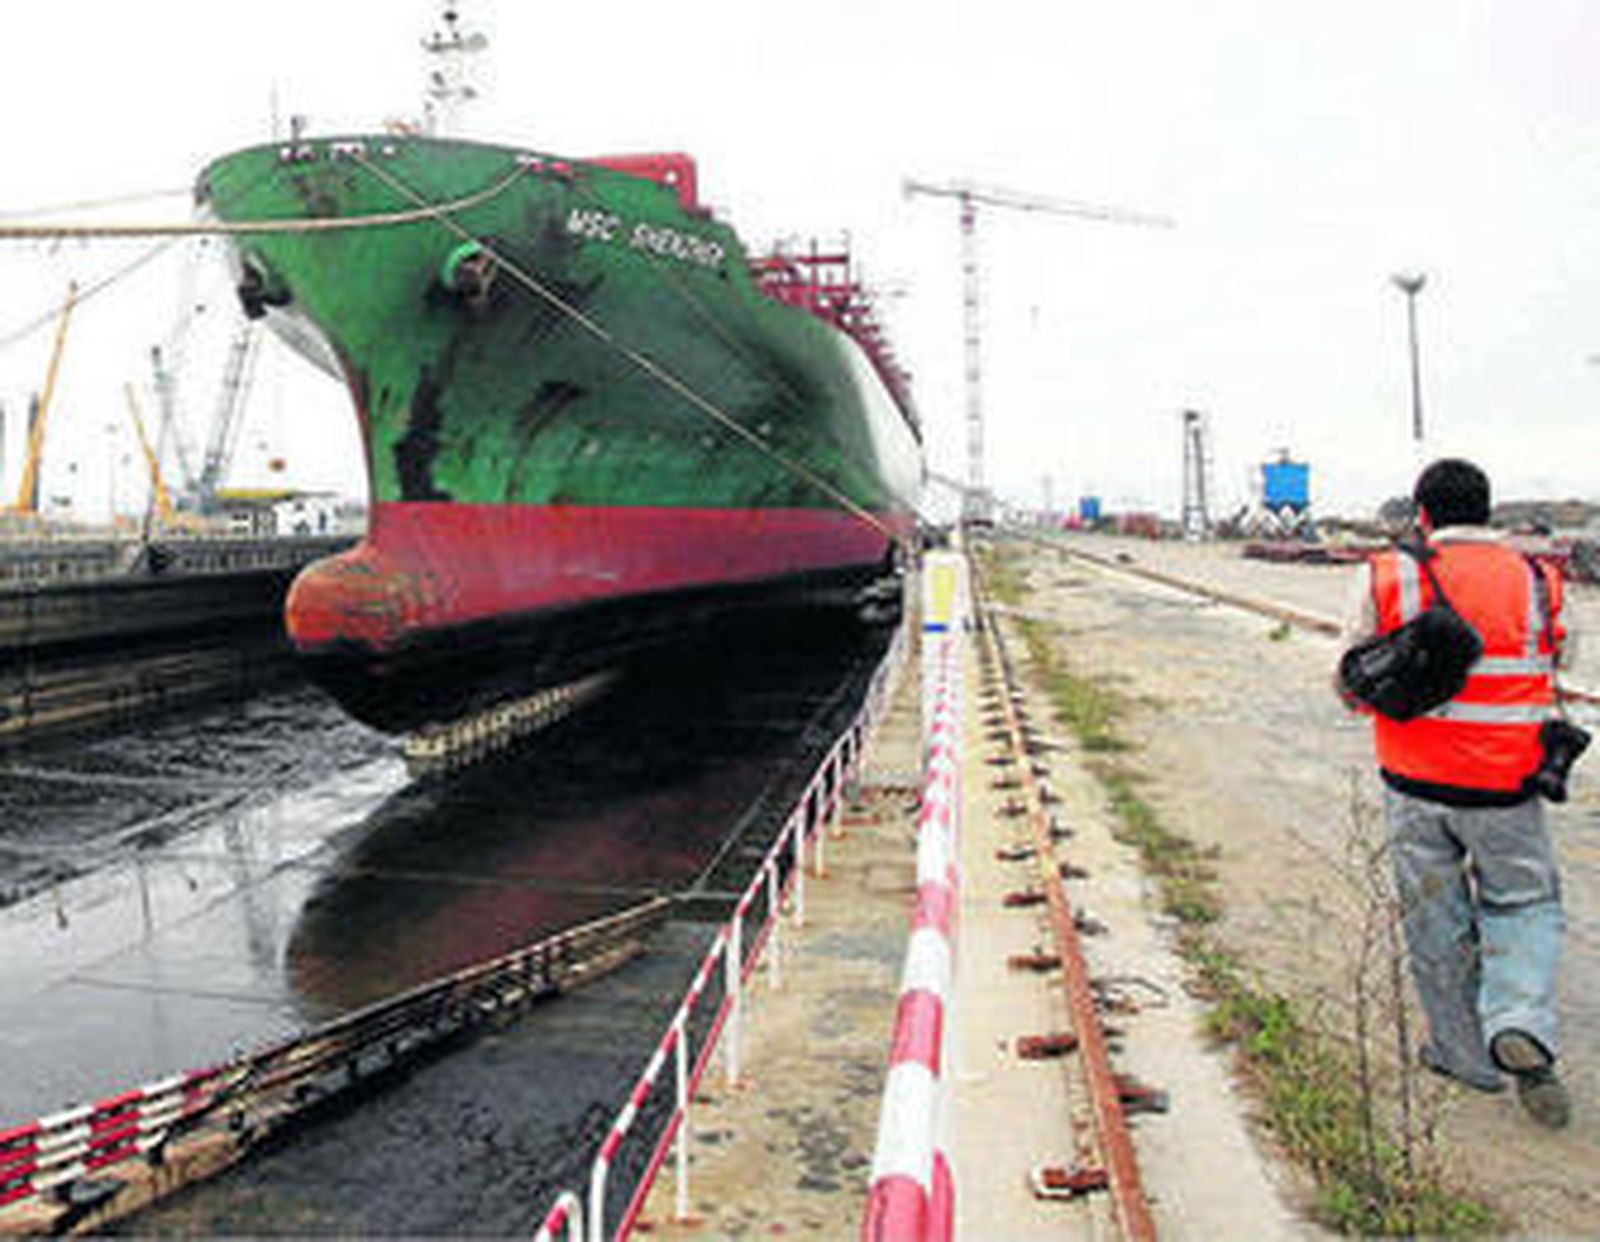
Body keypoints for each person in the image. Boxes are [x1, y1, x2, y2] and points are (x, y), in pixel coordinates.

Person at [1338, 458, 1575, 1128]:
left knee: (1435, 918)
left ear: (1423, 515)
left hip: (1414, 780)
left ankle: (1463, 1056)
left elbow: (1352, 680)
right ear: (1489, 511)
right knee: (1524, 902)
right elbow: (1562, 658)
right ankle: (1519, 1019)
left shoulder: (1388, 574)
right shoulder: (1539, 580)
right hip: (1508, 784)